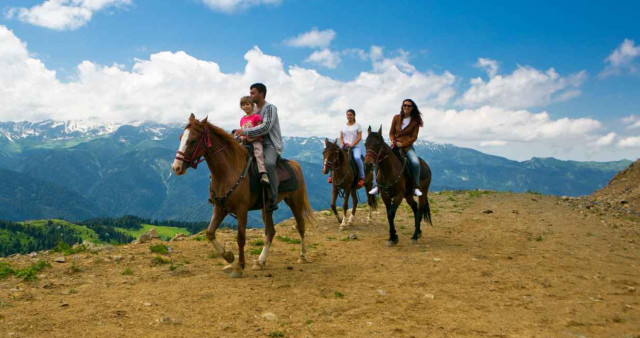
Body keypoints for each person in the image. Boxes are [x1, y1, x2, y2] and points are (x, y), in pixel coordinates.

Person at [234, 83, 283, 211]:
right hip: (250, 141)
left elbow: (266, 127)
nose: (250, 95)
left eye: (253, 93)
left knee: (269, 163)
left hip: (270, 144)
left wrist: (245, 132)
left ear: (261, 94)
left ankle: (273, 197)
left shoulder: (270, 108)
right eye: (250, 93)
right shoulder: (252, 110)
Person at [369, 99, 423, 196]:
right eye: (405, 105)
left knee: (415, 162)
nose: (406, 107)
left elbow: (414, 137)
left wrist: (403, 144)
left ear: (412, 108)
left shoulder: (415, 122)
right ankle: (376, 186)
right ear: (402, 106)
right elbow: (391, 132)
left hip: (407, 147)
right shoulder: (396, 117)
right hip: (394, 145)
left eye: (409, 106)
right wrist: (393, 140)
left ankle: (416, 187)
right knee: (378, 159)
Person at [238, 96, 269, 185]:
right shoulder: (242, 119)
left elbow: (260, 130)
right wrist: (242, 137)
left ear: (252, 105)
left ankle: (263, 173)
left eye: (247, 104)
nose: (245, 106)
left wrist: (252, 137)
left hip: (256, 140)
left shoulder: (257, 117)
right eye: (243, 105)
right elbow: (242, 131)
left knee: (258, 153)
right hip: (245, 141)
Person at [338, 109, 364, 188]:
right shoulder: (343, 125)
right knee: (335, 157)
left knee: (357, 158)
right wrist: (342, 144)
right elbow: (341, 137)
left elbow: (359, 137)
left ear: (354, 116)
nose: (349, 116)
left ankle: (362, 176)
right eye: (348, 115)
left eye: (350, 115)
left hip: (355, 146)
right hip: (344, 146)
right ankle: (332, 176)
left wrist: (352, 145)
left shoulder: (358, 125)